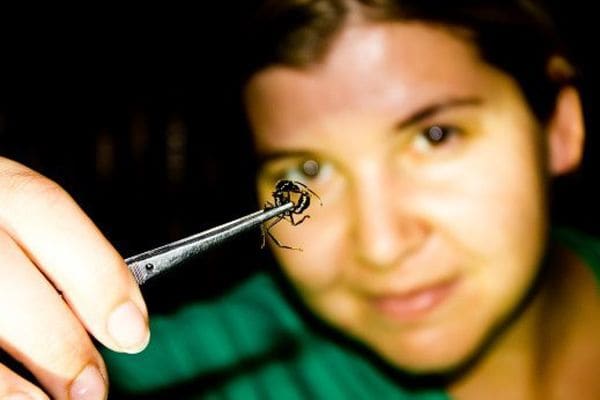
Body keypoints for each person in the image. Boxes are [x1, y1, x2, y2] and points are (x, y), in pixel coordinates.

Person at [1, 0, 599, 399]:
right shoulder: (180, 373)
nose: (382, 248)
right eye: (307, 169)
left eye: (434, 137)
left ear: (560, 128)